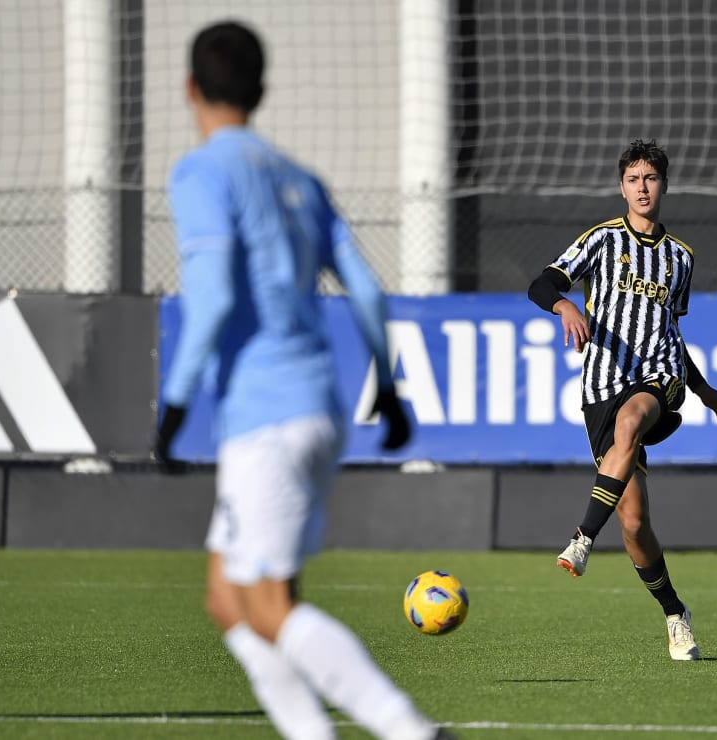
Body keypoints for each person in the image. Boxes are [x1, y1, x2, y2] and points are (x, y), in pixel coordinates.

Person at [153, 21, 453, 739]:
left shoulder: (201, 172)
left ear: (190, 89)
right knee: (229, 599)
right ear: (261, 90)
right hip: (319, 404)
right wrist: (390, 384)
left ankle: (409, 729)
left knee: (268, 606)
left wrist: (173, 402)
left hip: (264, 415)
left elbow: (216, 298)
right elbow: (369, 295)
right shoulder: (299, 178)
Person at [527, 139, 717, 661]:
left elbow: (671, 334)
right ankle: (675, 612)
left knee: (632, 419)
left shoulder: (680, 258)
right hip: (600, 388)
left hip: (658, 383)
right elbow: (541, 282)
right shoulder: (601, 240)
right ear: (621, 186)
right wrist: (563, 306)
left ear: (663, 185)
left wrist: (700, 389)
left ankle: (581, 539)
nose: (642, 188)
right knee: (634, 522)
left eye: (651, 178)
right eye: (633, 179)